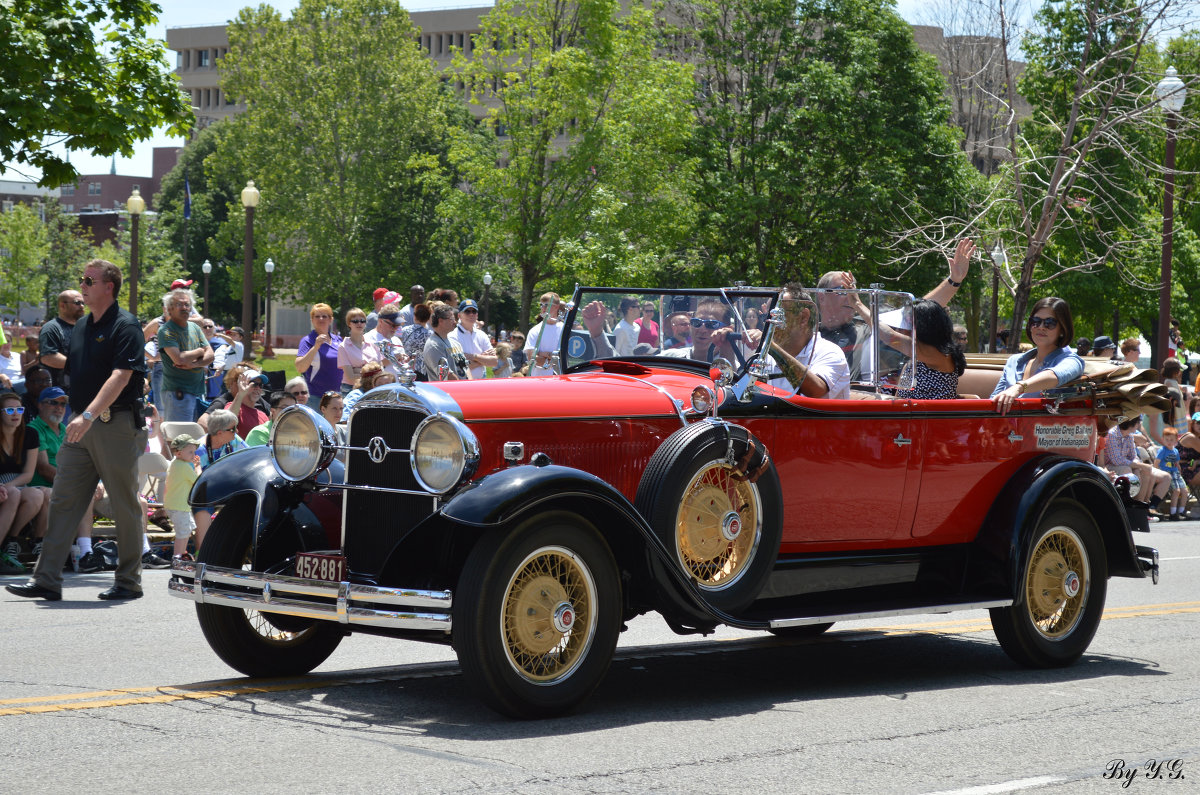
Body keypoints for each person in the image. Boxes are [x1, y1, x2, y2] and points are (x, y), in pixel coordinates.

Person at [7, 259, 149, 601]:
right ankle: (47, 579)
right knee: (64, 500)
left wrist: (86, 414)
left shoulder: (126, 326)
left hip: (112, 423)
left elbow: (121, 376)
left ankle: (129, 581)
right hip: (80, 424)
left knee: (124, 502)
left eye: (89, 280)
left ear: (108, 286)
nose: (82, 286)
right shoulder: (83, 326)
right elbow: (77, 369)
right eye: (82, 280)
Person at [991, 297, 1085, 415]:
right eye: (1035, 321)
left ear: (1062, 329)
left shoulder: (1072, 361)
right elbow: (993, 400)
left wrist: (1018, 388)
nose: (1041, 327)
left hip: (1048, 430)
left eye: (1049, 323)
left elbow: (1055, 375)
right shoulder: (1014, 361)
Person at [765, 286, 851, 399]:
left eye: (778, 315)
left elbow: (817, 391)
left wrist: (773, 349)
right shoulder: (766, 355)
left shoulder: (830, 352)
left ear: (803, 317)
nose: (769, 322)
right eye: (767, 315)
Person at [879, 300, 966, 400]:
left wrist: (858, 304)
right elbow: (899, 397)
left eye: (908, 323)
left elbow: (890, 337)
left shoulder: (939, 355)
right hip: (908, 413)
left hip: (931, 414)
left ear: (924, 326)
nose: (902, 328)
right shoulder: (914, 360)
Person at [0, 391, 45, 573]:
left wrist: (5, 486)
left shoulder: (30, 434)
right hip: (5, 486)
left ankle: (12, 540)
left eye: (19, 409)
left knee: (37, 495)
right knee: (14, 494)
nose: (16, 414)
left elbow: (28, 474)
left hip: (15, 483)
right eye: (10, 410)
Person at [157, 288, 213, 422]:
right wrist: (200, 351)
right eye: (179, 304)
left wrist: (195, 364)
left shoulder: (195, 328)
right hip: (178, 394)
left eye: (187, 305)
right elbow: (179, 359)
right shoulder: (166, 330)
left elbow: (211, 355)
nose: (184, 308)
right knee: (179, 438)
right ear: (169, 309)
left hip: (198, 392)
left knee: (194, 438)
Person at [295, 303, 343, 409]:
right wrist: (316, 346)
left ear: (331, 319)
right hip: (316, 398)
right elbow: (300, 367)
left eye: (324, 316)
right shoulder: (308, 341)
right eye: (317, 316)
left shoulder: (338, 340)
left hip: (336, 398)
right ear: (312, 320)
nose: (321, 319)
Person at [200, 362, 271, 433]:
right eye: (253, 383)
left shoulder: (260, 409)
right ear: (234, 383)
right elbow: (203, 424)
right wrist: (218, 434)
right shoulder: (224, 403)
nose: (257, 388)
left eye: (260, 385)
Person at [38, 289, 85, 387]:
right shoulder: (51, 328)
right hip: (59, 393)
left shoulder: (84, 328)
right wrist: (83, 367)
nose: (81, 306)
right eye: (77, 303)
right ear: (62, 305)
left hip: (81, 388)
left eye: (83, 303)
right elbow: (48, 357)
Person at [164, 433, 199, 560]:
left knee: (187, 529)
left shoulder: (176, 464)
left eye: (194, 452)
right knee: (183, 532)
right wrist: (198, 467)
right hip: (179, 506)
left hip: (177, 505)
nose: (193, 455)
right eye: (190, 452)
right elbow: (198, 481)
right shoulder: (183, 467)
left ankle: (182, 554)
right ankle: (177, 557)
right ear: (178, 453)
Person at [337, 307, 379, 395]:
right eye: (355, 321)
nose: (359, 323)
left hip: (372, 388)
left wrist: (358, 370)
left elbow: (380, 370)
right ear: (349, 324)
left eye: (362, 321)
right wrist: (371, 371)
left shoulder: (373, 344)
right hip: (351, 389)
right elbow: (350, 377)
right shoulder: (343, 347)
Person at [450, 299, 496, 379]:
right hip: (462, 384)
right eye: (467, 311)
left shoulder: (482, 334)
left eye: (474, 311)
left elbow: (494, 362)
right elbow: (458, 367)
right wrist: (483, 359)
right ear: (459, 316)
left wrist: (474, 357)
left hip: (481, 383)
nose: (471, 314)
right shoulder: (452, 336)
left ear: (477, 315)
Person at [424, 304, 470, 381]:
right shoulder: (433, 345)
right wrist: (463, 387)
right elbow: (447, 375)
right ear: (441, 321)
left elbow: (466, 368)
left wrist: (470, 385)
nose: (455, 322)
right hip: (446, 391)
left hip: (464, 389)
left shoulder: (455, 343)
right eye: (452, 319)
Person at [524, 293, 564, 376]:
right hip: (539, 381)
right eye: (541, 305)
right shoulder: (534, 330)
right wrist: (555, 359)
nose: (543, 308)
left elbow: (568, 358)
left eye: (547, 305)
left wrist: (545, 355)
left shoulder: (564, 329)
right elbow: (532, 359)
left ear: (556, 307)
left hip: (561, 380)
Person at [365, 303, 406, 377]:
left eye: (398, 325)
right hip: (380, 386)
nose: (396, 328)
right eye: (393, 325)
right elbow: (368, 369)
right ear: (381, 321)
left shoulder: (396, 340)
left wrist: (407, 361)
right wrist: (393, 358)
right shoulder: (368, 339)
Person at [1156, 427, 1188, 520]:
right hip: (1167, 473)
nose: (1169, 442)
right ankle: (1173, 513)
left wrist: (1179, 471)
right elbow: (1156, 462)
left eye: (1171, 440)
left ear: (1176, 440)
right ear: (1163, 439)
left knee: (1185, 491)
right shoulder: (1162, 450)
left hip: (1176, 473)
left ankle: (1181, 511)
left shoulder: (1175, 451)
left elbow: (1177, 463)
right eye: (1167, 439)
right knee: (1176, 490)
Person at [401, 302, 433, 381]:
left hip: (405, 369)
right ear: (428, 318)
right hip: (422, 371)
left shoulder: (404, 330)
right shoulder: (430, 334)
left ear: (414, 316)